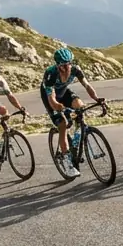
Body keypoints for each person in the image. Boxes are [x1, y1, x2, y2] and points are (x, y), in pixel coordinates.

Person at [42, 47, 103, 176]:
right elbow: (51, 97)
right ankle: (66, 160)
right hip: (50, 97)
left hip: (64, 93)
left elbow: (87, 85)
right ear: (57, 65)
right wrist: (57, 106)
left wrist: (97, 98)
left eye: (68, 64)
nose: (66, 68)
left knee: (80, 106)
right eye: (63, 66)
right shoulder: (50, 74)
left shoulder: (76, 69)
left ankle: (78, 138)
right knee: (62, 124)